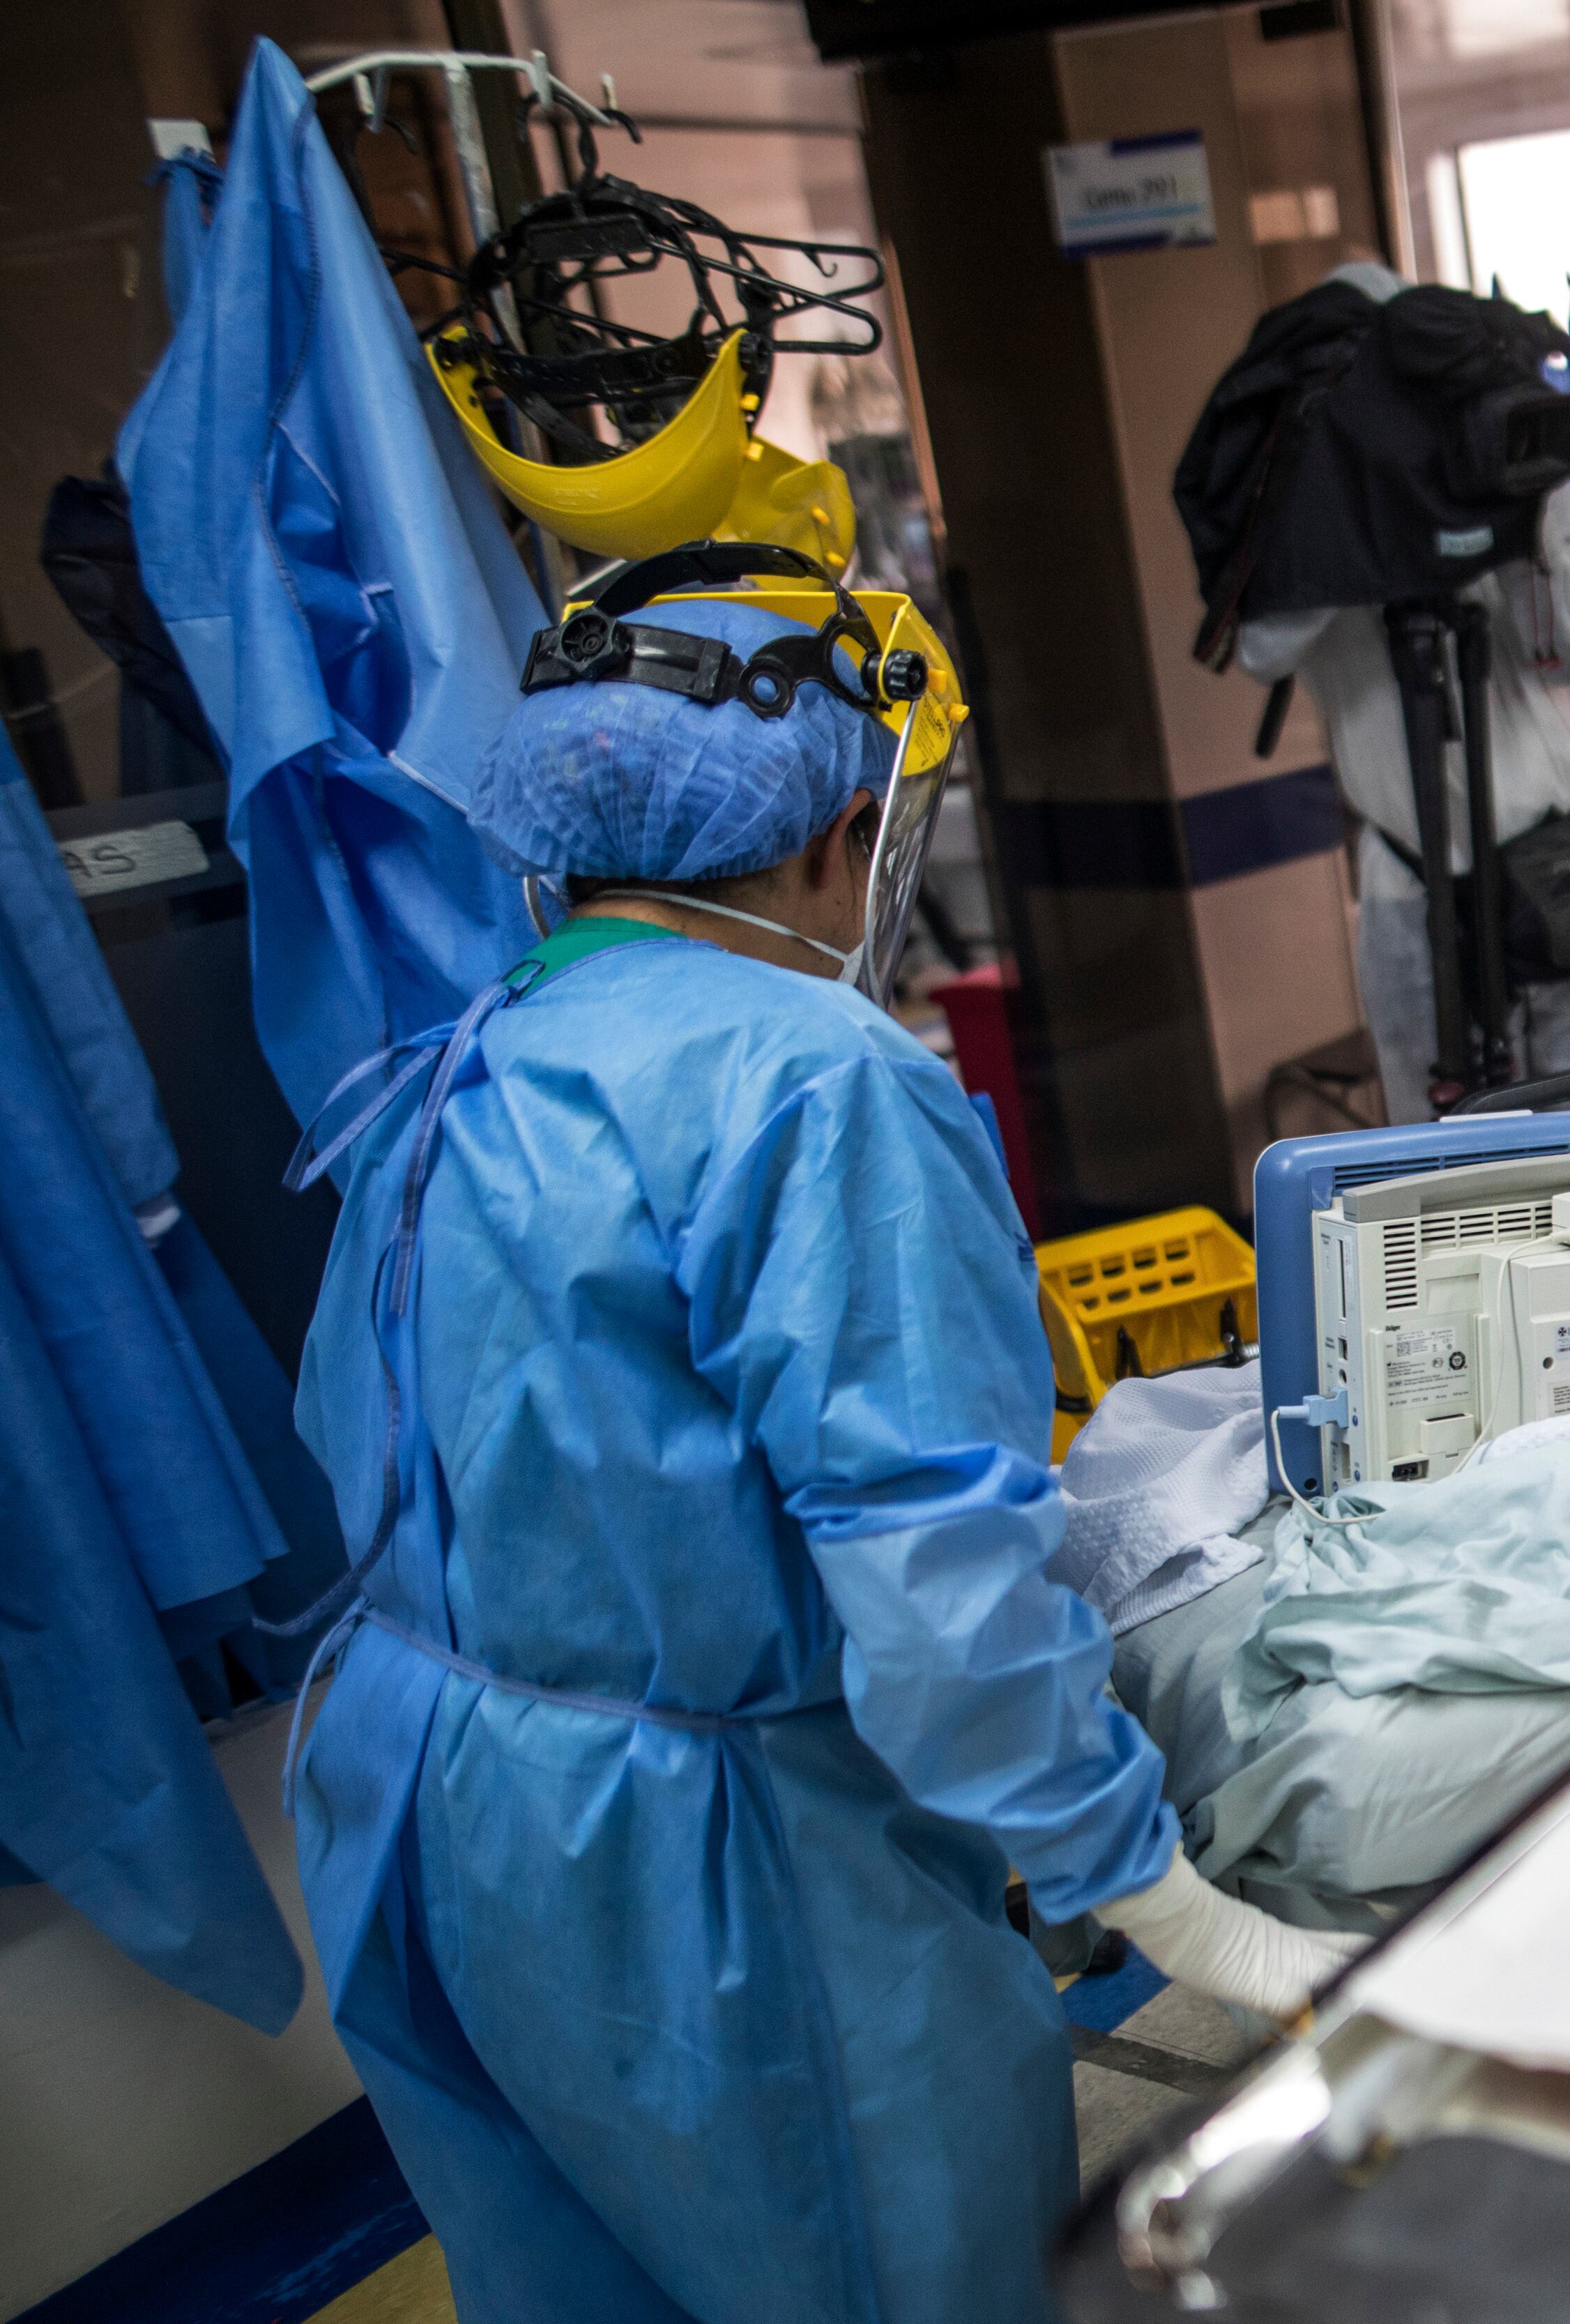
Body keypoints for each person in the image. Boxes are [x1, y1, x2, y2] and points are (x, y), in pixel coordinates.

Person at [282, 556, 1359, 2324]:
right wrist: (1153, 1894)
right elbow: (933, 1568)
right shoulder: (813, 1079)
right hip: (706, 1875)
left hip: (421, 1805)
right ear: (842, 833)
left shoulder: (464, 1056)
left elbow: (362, 1429)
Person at [1237, 262, 1570, 1126]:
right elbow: (1257, 646)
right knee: (1449, 1184)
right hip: (1411, 888)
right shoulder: (1310, 500)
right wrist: (1352, 529)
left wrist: (1511, 521)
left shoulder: (1499, 472)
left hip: (1560, 868)